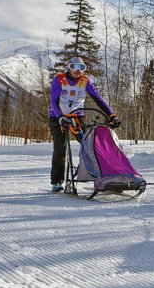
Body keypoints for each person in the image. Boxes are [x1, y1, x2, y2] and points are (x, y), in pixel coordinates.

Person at [48, 57, 121, 192]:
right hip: (58, 116)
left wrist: (112, 115)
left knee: (89, 144)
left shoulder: (85, 81)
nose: (78, 71)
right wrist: (60, 117)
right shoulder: (59, 79)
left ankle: (103, 176)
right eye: (75, 67)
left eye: (81, 68)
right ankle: (57, 181)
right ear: (69, 67)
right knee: (60, 148)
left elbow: (98, 99)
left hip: (76, 116)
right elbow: (54, 101)